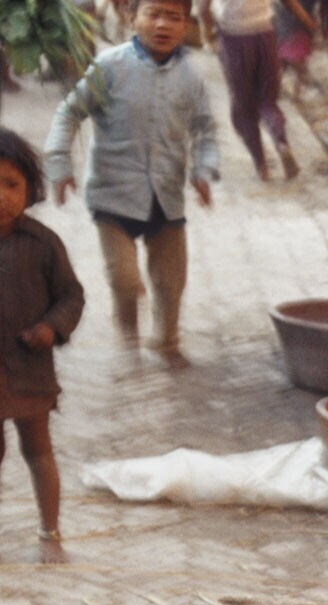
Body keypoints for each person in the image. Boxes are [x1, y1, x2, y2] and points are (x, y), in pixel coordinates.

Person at [45, 0, 219, 370]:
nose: (162, 24)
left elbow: (205, 130)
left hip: (166, 195)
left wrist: (204, 170)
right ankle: (128, 337)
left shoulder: (191, 75)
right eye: (153, 14)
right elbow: (69, 112)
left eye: (173, 17)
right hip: (113, 194)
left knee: (171, 281)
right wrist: (60, 163)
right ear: (131, 17)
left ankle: (166, 342)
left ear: (186, 24)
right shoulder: (109, 66)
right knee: (124, 279)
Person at [0, 128, 86, 565]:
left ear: (30, 188)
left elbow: (71, 295)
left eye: (11, 184)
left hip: (30, 370)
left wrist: (52, 327)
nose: (1, 197)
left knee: (38, 451)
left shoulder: (43, 244)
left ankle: (50, 532)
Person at [200, 0, 298, 180]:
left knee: (243, 109)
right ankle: (281, 141)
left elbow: (204, 8)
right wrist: (301, 20)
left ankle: (262, 167)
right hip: (266, 33)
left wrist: (209, 34)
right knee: (269, 102)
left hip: (233, 36)